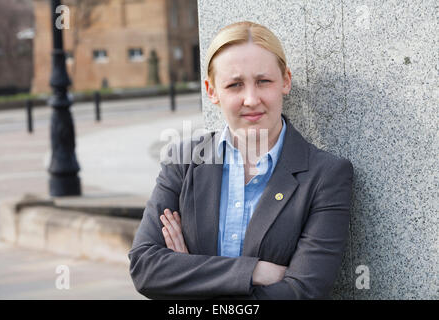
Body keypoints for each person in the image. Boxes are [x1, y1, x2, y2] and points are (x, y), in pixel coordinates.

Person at [128, 21, 354, 300]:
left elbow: (302, 292)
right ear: (212, 91)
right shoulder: (183, 161)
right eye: (235, 85)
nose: (251, 99)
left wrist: (189, 276)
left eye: (263, 81)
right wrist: (254, 272)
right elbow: (145, 268)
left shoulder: (325, 175)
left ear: (285, 81)